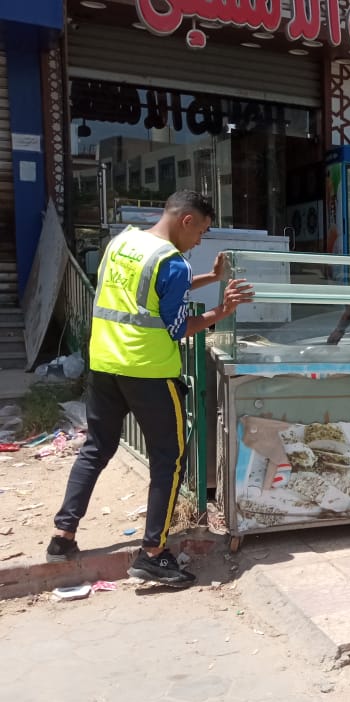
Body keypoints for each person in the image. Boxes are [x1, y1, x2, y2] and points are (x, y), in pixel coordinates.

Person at [45, 191, 255, 587]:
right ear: (187, 220)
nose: (199, 242)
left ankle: (62, 536)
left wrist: (212, 278)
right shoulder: (172, 262)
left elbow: (151, 293)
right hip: (150, 372)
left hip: (105, 365)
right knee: (168, 459)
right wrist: (222, 311)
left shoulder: (122, 243)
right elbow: (177, 327)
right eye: (201, 232)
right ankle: (153, 553)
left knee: (96, 448)